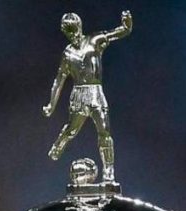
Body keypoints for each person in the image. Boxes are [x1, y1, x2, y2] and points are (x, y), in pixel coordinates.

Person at [43, 11, 132, 183]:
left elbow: (117, 33)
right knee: (72, 129)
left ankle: (108, 170)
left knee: (104, 130)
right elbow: (59, 80)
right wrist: (51, 105)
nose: (73, 35)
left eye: (74, 31)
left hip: (95, 93)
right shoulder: (68, 54)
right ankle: (58, 145)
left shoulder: (94, 40)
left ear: (79, 28)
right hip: (79, 94)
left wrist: (126, 25)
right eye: (69, 33)